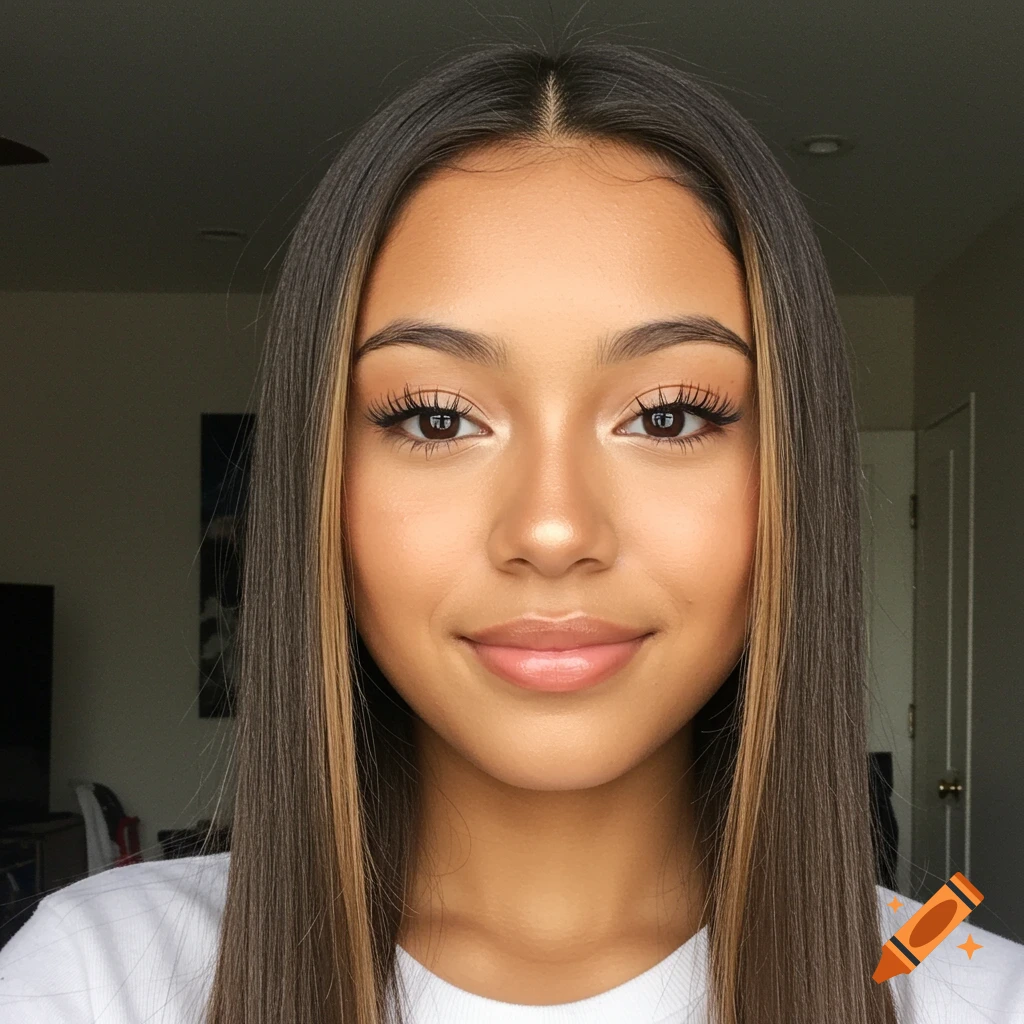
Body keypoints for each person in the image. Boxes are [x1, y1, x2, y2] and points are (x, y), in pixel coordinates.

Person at [2, 39, 1023, 1024]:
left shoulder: (965, 987)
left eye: (668, 414)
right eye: (436, 417)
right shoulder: (99, 979)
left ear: (788, 482)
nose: (550, 526)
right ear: (322, 486)